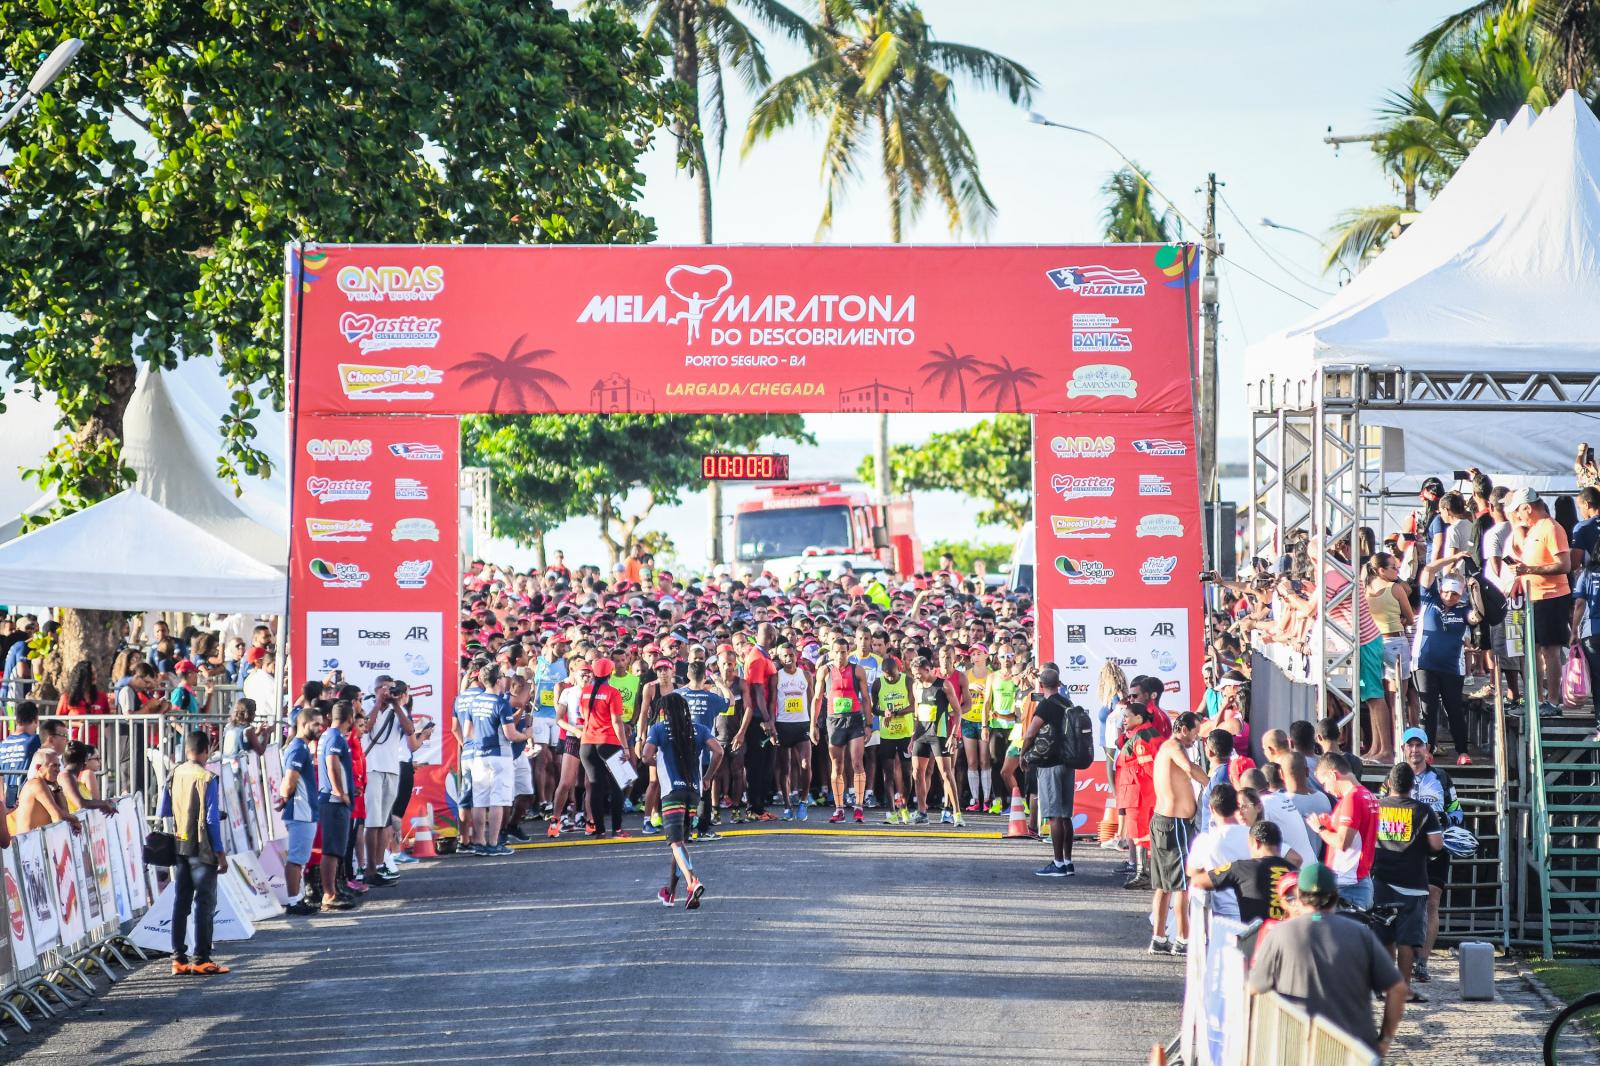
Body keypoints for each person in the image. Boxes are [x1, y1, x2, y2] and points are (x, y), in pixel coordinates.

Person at [1248, 863, 1408, 1057]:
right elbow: (1398, 988)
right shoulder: (1360, 934)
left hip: (1298, 1046)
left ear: (1299, 896)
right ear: (1335, 895)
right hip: (1353, 1049)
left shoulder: (1279, 935)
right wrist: (1385, 1039)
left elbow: (1255, 988)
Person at [642, 692, 725, 909]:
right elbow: (718, 751)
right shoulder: (699, 729)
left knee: (675, 842)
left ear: (663, 712)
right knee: (679, 842)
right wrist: (708, 777)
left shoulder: (658, 729)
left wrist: (658, 761)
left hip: (671, 792)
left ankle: (692, 881)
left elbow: (645, 755)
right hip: (693, 791)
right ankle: (670, 891)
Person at [158, 730, 230, 975]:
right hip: (202, 846)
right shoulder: (208, 778)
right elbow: (211, 819)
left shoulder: (175, 772)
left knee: (182, 901)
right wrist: (220, 852)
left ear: (186, 750)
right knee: (205, 902)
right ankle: (201, 958)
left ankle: (178, 958)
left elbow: (163, 810)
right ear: (206, 751)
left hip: (181, 842)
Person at [1372, 762, 1443, 1000]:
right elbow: (1437, 845)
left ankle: (1384, 984)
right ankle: (1402, 988)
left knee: (1385, 935)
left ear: (1389, 783)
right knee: (1406, 939)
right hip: (1412, 884)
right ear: (1413, 786)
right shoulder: (1423, 811)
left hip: (1381, 881)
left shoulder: (1377, 807)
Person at [1149, 711, 1209, 956]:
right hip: (1175, 824)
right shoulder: (1174, 746)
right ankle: (1183, 939)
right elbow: (1189, 768)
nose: (1196, 738)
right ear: (1183, 729)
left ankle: (1159, 937)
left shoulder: (1167, 747)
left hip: (1165, 821)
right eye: (1195, 732)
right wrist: (1212, 782)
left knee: (1164, 885)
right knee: (1182, 885)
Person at [1508, 487, 1572, 715]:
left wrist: (1530, 569)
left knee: (1550, 650)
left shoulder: (1551, 528)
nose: (1518, 517)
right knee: (1532, 650)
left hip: (1552, 596)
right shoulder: (1533, 528)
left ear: (1528, 507)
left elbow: (1564, 565)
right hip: (1533, 598)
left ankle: (1553, 702)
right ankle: (1536, 700)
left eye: (1519, 512)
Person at [1412, 549, 1475, 764]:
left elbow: (1476, 616)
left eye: (1455, 594)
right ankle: (1427, 750)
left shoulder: (1464, 609)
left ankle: (1462, 751)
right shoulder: (1429, 598)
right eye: (1446, 592)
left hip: (1451, 667)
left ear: (1461, 594)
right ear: (1441, 589)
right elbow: (1429, 569)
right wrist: (1454, 558)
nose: (1449, 597)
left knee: (1453, 708)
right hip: (1424, 663)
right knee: (1428, 707)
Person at [1308, 753, 1381, 909]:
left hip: (1347, 886)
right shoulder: (1368, 795)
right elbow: (1358, 834)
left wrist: (1319, 829)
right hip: (1357, 880)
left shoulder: (1352, 799)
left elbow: (1342, 842)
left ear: (1333, 775)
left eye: (1325, 783)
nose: (1326, 790)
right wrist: (1330, 823)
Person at [1022, 666, 1075, 877]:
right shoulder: (1067, 702)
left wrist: (1023, 754)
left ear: (1041, 685)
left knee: (1054, 816)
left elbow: (1031, 732)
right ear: (1059, 683)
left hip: (1049, 763)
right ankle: (1068, 862)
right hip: (1068, 762)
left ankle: (1058, 863)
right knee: (1066, 816)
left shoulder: (1045, 705)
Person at [1190, 820, 1296, 924]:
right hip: (1292, 938)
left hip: (1256, 938)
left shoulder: (1241, 868)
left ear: (1256, 843)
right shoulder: (1296, 872)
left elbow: (1198, 882)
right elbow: (1312, 914)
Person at [815, 637, 870, 824]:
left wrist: (869, 724)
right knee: (837, 766)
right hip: (834, 721)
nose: (840, 655)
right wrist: (813, 724)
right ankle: (839, 808)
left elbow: (866, 699)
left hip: (854, 720)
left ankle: (859, 806)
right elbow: (817, 699)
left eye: (843, 652)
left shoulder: (858, 670)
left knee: (856, 763)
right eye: (836, 652)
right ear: (831, 652)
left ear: (849, 652)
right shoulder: (825, 671)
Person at [274, 707, 322, 915]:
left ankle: (297, 898)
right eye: (316, 724)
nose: (320, 728)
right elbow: (289, 780)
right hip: (301, 811)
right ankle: (294, 901)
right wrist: (285, 796)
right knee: (296, 859)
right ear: (303, 725)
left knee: (299, 859)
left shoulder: (301, 748)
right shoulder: (298, 749)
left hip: (305, 810)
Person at [578, 657, 631, 839]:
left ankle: (599, 830)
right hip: (608, 742)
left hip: (587, 744)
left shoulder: (584, 691)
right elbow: (617, 722)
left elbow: (583, 715)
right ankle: (617, 829)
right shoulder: (612, 692)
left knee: (595, 786)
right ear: (610, 673)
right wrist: (625, 747)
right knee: (620, 784)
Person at [908, 656, 963, 827]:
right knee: (917, 773)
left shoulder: (944, 685)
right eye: (914, 674)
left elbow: (958, 711)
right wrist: (912, 738)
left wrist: (953, 736)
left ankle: (957, 813)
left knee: (946, 773)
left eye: (919, 674)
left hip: (939, 734)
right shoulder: (916, 686)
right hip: (921, 734)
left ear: (928, 669)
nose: (917, 677)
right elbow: (917, 714)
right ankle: (922, 812)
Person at [1184, 784, 1252, 919]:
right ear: (1237, 806)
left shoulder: (1204, 841)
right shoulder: (1253, 835)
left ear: (1211, 809)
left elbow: (1191, 872)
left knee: (1194, 886)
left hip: (1223, 916)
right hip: (1253, 912)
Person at [317, 701, 357, 912]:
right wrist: (340, 792)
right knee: (332, 849)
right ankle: (329, 893)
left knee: (336, 849)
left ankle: (333, 889)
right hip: (334, 802)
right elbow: (332, 762)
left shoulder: (328, 735)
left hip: (332, 801)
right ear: (350, 718)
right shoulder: (334, 737)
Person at [873, 651, 914, 825]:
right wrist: (884, 712)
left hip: (905, 733)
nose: (890, 679)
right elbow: (874, 708)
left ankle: (904, 807)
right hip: (887, 735)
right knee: (888, 773)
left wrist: (896, 712)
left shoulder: (907, 680)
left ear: (899, 669)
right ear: (883, 673)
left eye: (893, 675)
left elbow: (913, 705)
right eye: (887, 676)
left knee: (906, 773)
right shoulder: (877, 684)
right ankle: (891, 811)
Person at [9, 749, 78, 834]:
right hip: (30, 843)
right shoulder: (36, 783)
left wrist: (56, 788)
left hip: (35, 842)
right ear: (39, 767)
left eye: (58, 766)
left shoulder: (46, 785)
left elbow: (64, 812)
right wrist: (74, 819)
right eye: (53, 766)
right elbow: (58, 816)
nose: (58, 770)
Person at [0, 701, 43, 808]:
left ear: (17, 720)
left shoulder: (3, 744)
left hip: (6, 802)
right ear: (36, 720)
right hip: (26, 799)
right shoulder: (35, 740)